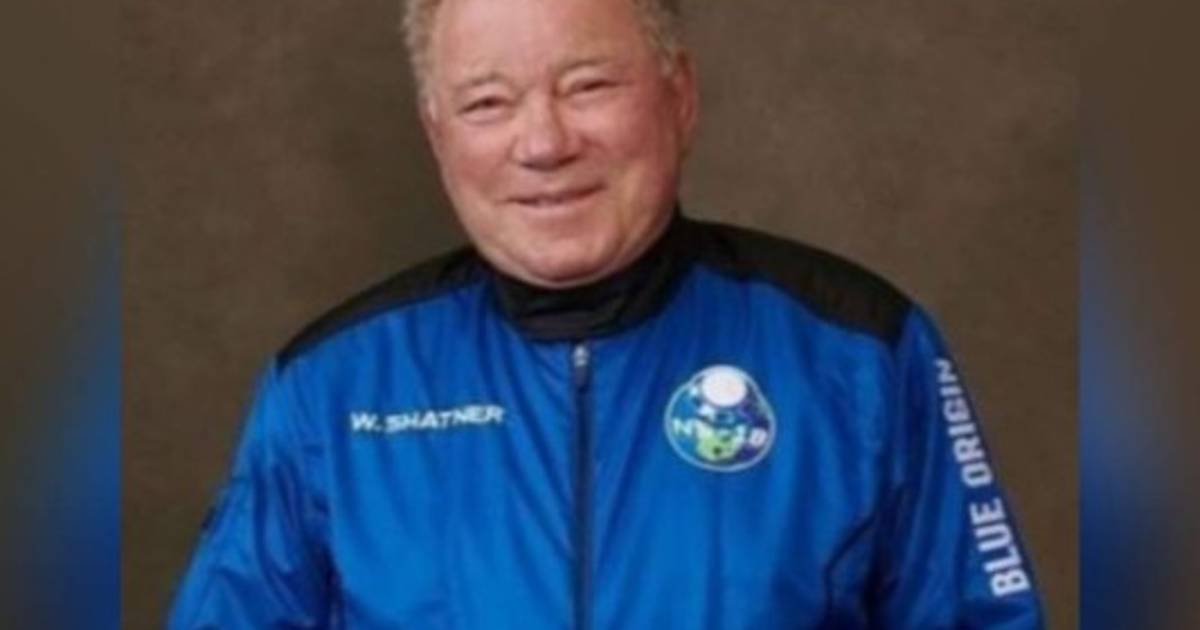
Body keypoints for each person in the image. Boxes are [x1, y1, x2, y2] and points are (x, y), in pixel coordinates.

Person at [168, 0, 1045, 627]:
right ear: (438, 136)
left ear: (679, 96)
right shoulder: (330, 393)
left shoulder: (859, 355)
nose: (543, 143)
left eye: (587, 85)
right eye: (487, 103)